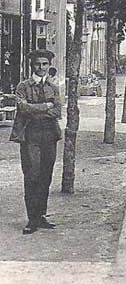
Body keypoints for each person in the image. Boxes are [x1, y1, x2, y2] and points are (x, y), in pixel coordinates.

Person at [9, 49, 62, 235]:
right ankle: (31, 219)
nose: (41, 67)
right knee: (32, 175)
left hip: (49, 134)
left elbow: (58, 111)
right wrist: (46, 106)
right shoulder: (23, 86)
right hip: (30, 135)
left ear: (49, 65)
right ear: (32, 65)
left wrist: (37, 109)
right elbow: (23, 109)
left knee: (46, 176)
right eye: (38, 64)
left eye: (44, 64)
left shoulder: (53, 87)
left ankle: (41, 216)